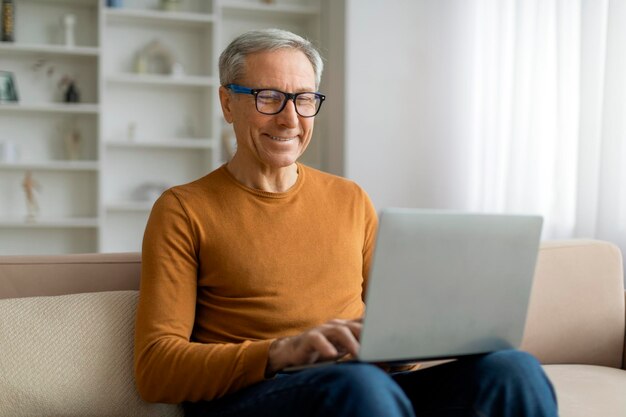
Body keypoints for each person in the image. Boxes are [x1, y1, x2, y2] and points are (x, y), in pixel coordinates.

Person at [134, 28, 558, 417]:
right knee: (359, 386)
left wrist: (399, 344)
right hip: (259, 396)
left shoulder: (349, 198)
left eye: (303, 99)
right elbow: (156, 368)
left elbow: (399, 343)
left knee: (512, 369)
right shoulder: (183, 209)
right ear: (228, 102)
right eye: (268, 97)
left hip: (365, 385)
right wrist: (281, 352)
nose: (290, 119)